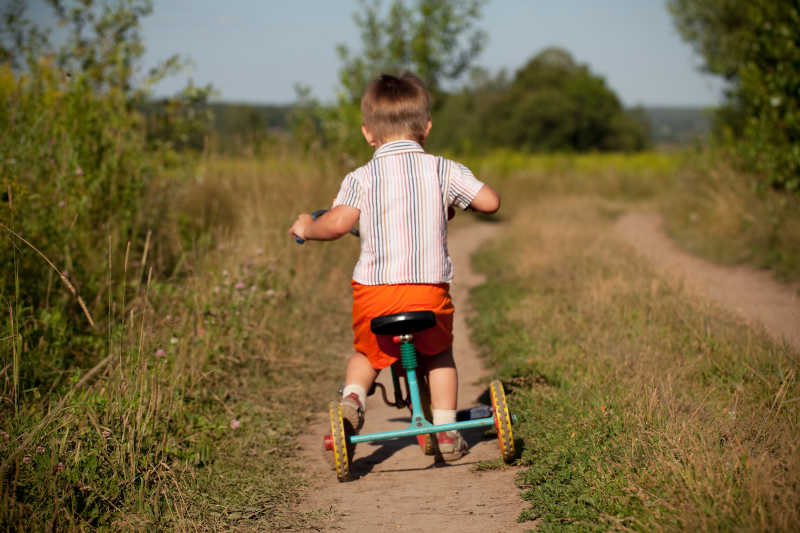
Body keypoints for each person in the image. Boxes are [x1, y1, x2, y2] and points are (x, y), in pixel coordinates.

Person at [289, 73, 500, 460]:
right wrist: (453, 201)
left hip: (375, 295)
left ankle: (353, 400)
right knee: (438, 354)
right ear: (427, 127)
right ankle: (448, 430)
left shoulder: (361, 177)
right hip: (428, 293)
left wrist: (307, 226)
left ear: (368, 133)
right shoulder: (443, 169)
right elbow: (489, 202)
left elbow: (336, 225)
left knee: (367, 356)